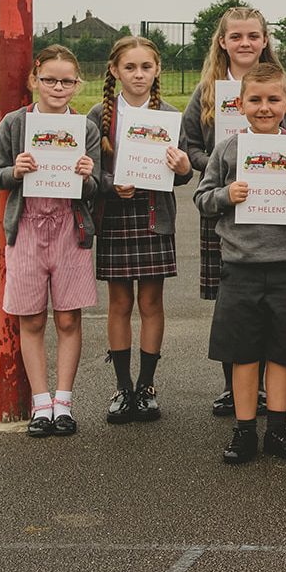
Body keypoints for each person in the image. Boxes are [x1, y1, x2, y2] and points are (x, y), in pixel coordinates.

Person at [194, 63, 286, 464]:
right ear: (240, 104)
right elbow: (202, 199)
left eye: (273, 99)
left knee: (282, 354)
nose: (264, 107)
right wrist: (225, 196)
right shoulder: (228, 150)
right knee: (245, 354)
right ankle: (245, 430)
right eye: (255, 99)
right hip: (241, 268)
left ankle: (279, 430)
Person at [0, 44, 100, 438]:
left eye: (67, 81)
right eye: (50, 79)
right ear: (35, 79)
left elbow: (96, 187)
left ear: (76, 84)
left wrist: (88, 175)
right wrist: (15, 171)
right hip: (28, 227)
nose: (58, 87)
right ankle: (41, 403)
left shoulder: (85, 127)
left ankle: (64, 402)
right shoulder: (15, 124)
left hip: (70, 229)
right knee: (31, 318)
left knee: (68, 317)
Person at [181, 6, 283, 416]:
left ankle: (260, 388)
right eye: (236, 36)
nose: (245, 43)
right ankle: (233, 387)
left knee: (270, 301)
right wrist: (223, 169)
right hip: (225, 210)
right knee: (232, 302)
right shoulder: (206, 91)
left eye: (253, 36)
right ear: (222, 41)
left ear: (264, 41)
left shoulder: (278, 85)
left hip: (274, 212)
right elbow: (189, 146)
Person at [90, 36, 192, 424]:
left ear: (157, 70)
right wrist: (109, 183)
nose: (138, 74)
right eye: (129, 67)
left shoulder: (169, 114)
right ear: (114, 71)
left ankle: (147, 387)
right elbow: (87, 174)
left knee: (151, 305)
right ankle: (122, 387)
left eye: (145, 67)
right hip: (115, 218)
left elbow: (182, 175)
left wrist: (183, 167)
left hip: (153, 219)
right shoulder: (98, 116)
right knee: (119, 304)